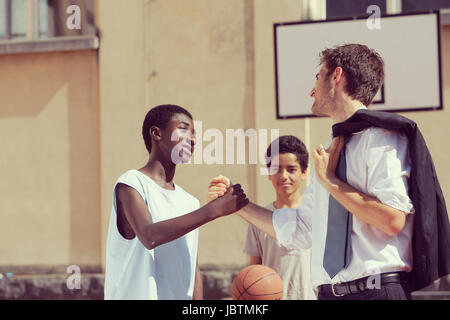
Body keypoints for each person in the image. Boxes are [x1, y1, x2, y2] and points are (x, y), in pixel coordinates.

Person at [209, 44, 450, 300]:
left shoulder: (382, 140)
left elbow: (391, 220)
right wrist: (238, 204)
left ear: (336, 76)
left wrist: (331, 182)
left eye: (317, 77)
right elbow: (300, 230)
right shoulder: (328, 153)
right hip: (328, 295)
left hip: (375, 292)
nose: (312, 91)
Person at [104, 104, 248, 300]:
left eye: (194, 133)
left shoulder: (189, 201)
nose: (193, 139)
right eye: (183, 129)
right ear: (156, 133)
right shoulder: (131, 183)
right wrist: (213, 210)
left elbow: (192, 269)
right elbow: (149, 236)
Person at [220, 136, 316, 299]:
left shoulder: (315, 217)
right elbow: (254, 271)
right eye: (276, 169)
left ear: (304, 173)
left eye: (291, 169)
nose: (284, 176)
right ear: (269, 174)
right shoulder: (258, 220)